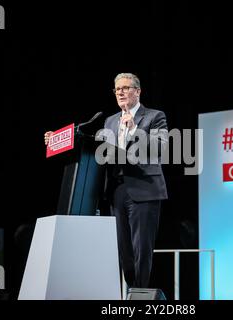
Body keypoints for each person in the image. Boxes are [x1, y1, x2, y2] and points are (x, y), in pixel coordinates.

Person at [44, 73, 168, 288]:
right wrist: (59, 139)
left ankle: (140, 293)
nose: (120, 92)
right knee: (124, 252)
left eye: (126, 88)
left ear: (138, 91)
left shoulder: (154, 116)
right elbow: (97, 147)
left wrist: (134, 129)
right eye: (117, 89)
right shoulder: (110, 120)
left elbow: (161, 147)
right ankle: (132, 289)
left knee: (141, 248)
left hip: (144, 188)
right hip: (116, 190)